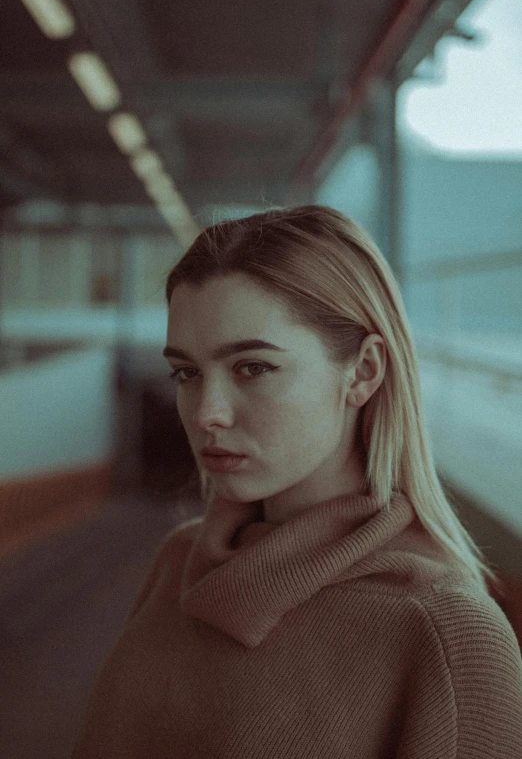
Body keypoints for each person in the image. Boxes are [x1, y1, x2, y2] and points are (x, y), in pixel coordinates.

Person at [71, 205, 522, 758]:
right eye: (187, 373)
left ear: (363, 372)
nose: (207, 412)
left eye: (253, 368)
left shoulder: (445, 630)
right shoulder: (179, 560)